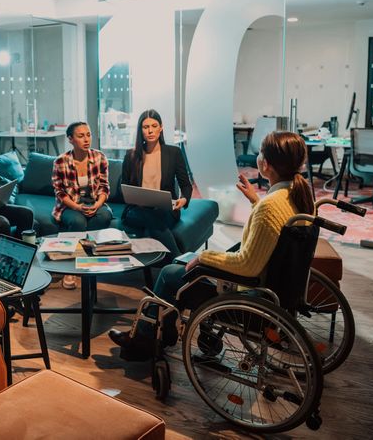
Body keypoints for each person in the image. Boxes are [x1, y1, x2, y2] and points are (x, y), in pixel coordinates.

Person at [109, 131, 314, 360]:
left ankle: (144, 340)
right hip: (274, 290)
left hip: (247, 295)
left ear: (265, 164)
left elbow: (247, 266)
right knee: (181, 264)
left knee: (169, 273)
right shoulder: (298, 196)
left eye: (260, 153)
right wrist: (255, 202)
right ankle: (166, 332)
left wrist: (204, 257)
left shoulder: (270, 207)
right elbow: (269, 234)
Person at [120, 109, 192, 258]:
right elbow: (124, 188)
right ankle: (179, 259)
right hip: (137, 210)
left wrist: (183, 199)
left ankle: (175, 260)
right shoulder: (131, 156)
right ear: (140, 130)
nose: (150, 131)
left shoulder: (173, 153)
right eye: (146, 127)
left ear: (161, 127)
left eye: (154, 126)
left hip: (165, 209)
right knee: (151, 219)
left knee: (155, 219)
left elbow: (186, 185)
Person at [51, 121, 113, 289]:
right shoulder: (60, 161)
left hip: (94, 201)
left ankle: (88, 258)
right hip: (70, 204)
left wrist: (97, 204)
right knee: (78, 221)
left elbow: (104, 187)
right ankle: (71, 267)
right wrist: (77, 207)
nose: (86, 139)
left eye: (88, 135)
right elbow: (60, 192)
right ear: (70, 139)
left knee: (104, 216)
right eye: (81, 136)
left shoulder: (99, 157)